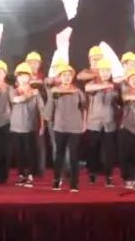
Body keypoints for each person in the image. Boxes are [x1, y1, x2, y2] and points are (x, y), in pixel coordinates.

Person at [45, 62, 87, 192]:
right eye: (64, 75)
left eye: (69, 75)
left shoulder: (77, 92)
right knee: (59, 155)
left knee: (74, 155)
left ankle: (74, 183)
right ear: (59, 77)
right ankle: (56, 180)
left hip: (75, 127)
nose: (67, 77)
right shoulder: (55, 92)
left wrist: (84, 123)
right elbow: (49, 112)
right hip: (60, 127)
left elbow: (84, 108)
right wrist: (51, 122)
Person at [84, 58, 119, 187]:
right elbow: (87, 88)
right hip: (94, 122)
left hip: (109, 122)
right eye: (102, 70)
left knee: (109, 150)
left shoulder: (115, 86)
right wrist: (105, 85)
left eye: (107, 71)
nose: (105, 73)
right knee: (93, 149)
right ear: (98, 72)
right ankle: (92, 174)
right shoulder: (93, 84)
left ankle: (108, 176)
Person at [10, 63, 44, 187]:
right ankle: (21, 175)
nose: (23, 78)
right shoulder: (13, 91)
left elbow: (41, 110)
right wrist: (30, 94)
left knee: (29, 152)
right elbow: (16, 100)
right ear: (17, 78)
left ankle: (29, 175)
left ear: (29, 78)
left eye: (25, 76)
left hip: (30, 127)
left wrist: (42, 126)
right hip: (16, 127)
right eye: (20, 76)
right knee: (19, 153)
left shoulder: (36, 93)